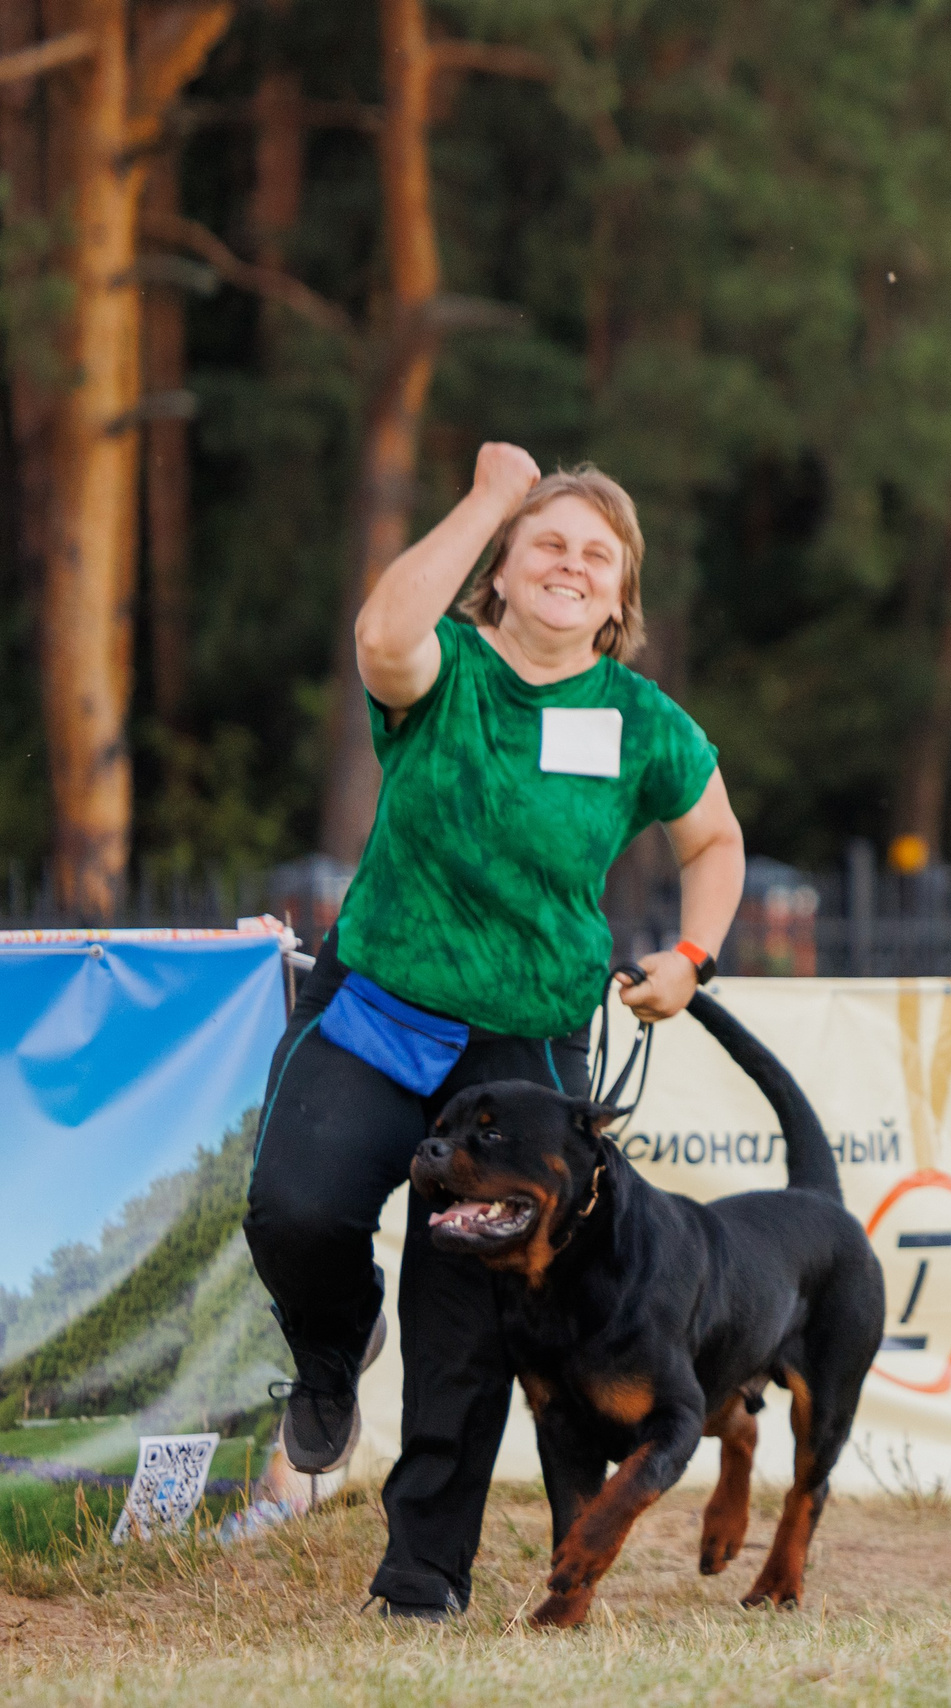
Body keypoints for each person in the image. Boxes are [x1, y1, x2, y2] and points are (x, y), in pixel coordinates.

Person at [242, 446, 746, 1619]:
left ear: (620, 598)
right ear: (500, 575)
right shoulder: (445, 670)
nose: (570, 565)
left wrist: (691, 957)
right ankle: (330, 1350)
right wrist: (483, 497)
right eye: (546, 544)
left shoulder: (642, 722)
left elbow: (714, 844)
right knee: (297, 1209)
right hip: (377, 1008)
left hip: (523, 1055)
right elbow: (380, 636)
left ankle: (422, 1578)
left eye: (595, 555)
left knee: (466, 1318)